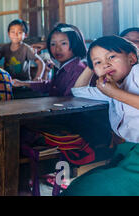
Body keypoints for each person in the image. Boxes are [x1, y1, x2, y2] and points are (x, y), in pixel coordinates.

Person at [61, 35, 139, 195]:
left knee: (87, 189)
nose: (106, 64)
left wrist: (114, 92)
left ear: (132, 58)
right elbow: (78, 91)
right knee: (79, 184)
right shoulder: (110, 87)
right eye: (98, 62)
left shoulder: (136, 73)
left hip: (134, 156)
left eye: (111, 56)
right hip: (127, 153)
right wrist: (92, 65)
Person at [13, 23, 88, 96]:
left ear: (76, 44)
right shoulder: (63, 67)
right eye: (53, 44)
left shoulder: (78, 70)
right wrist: (23, 83)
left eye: (63, 43)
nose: (57, 49)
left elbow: (69, 100)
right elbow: (51, 86)